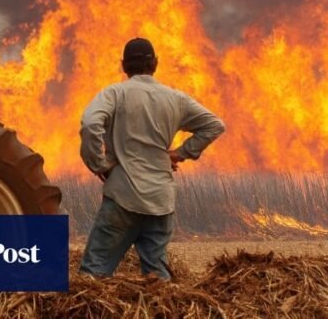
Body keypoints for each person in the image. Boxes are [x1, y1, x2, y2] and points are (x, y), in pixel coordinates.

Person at [79, 37, 225, 280]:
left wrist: (99, 164)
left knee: (92, 277)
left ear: (124, 65)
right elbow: (214, 125)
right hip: (160, 201)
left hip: (123, 197)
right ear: (155, 64)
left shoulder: (115, 94)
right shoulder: (176, 99)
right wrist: (180, 153)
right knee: (157, 282)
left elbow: (91, 123)